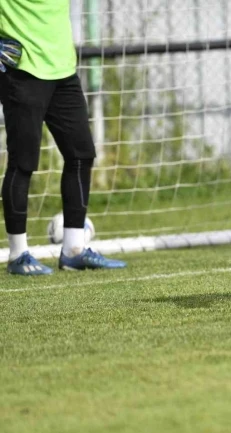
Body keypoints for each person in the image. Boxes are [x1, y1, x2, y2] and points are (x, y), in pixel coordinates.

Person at [0, 0, 126, 275]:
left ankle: (73, 250)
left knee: (82, 155)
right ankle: (18, 255)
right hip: (23, 71)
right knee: (23, 163)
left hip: (63, 71)